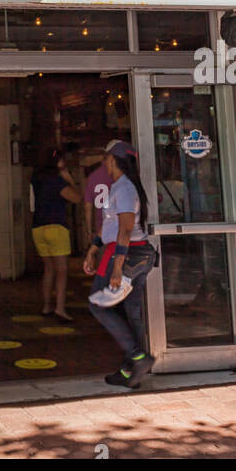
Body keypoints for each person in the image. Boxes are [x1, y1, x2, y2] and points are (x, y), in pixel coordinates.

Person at [84, 140, 157, 388]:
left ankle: (138, 357)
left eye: (106, 158)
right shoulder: (120, 187)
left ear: (113, 160)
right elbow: (111, 226)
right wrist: (94, 247)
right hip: (134, 254)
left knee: (98, 303)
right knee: (131, 313)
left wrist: (117, 268)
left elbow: (125, 230)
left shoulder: (124, 188)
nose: (104, 162)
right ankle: (130, 372)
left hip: (126, 255)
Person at [31, 149, 81, 321]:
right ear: (57, 163)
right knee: (61, 270)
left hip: (38, 229)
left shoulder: (36, 179)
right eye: (62, 161)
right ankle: (59, 308)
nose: (64, 163)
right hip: (56, 228)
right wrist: (71, 181)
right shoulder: (57, 181)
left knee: (48, 269)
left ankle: (46, 306)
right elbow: (76, 198)